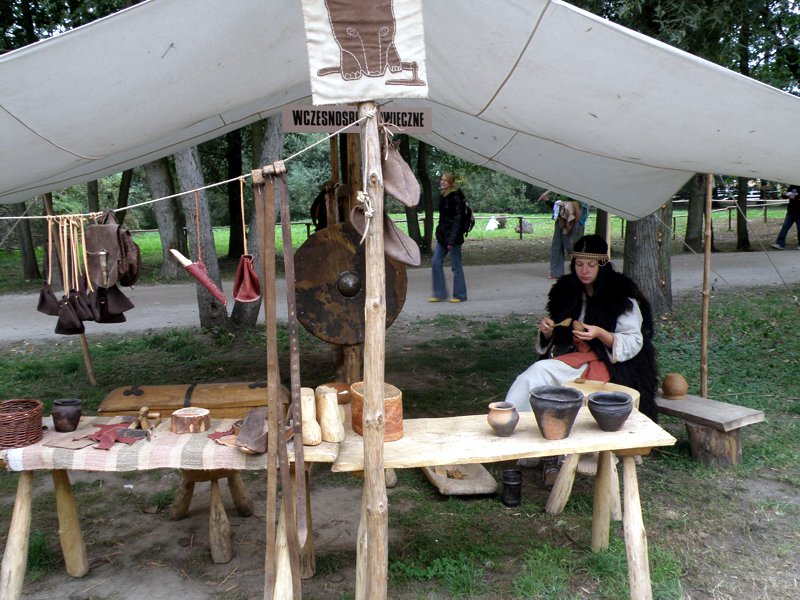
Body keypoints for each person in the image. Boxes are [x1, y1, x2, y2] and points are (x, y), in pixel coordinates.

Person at [429, 172, 467, 303]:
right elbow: (443, 219)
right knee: (435, 262)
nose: (442, 182)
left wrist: (451, 240)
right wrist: (439, 233)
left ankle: (460, 295)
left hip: (454, 238)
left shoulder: (456, 197)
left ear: (450, 183)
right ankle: (440, 294)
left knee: (456, 267)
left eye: (445, 180)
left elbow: (458, 220)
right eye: (441, 180)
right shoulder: (443, 196)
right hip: (443, 237)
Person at [548, 196, 587, 279]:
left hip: (574, 220)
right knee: (557, 246)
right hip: (561, 220)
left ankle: (581, 271)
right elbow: (557, 206)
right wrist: (547, 201)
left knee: (571, 246)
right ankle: (556, 272)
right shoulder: (558, 191)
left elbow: (579, 204)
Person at [770, 183, 800, 250]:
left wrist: (794, 196)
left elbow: (795, 196)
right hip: (791, 211)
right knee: (785, 227)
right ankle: (780, 243)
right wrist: (785, 194)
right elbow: (784, 196)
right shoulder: (793, 186)